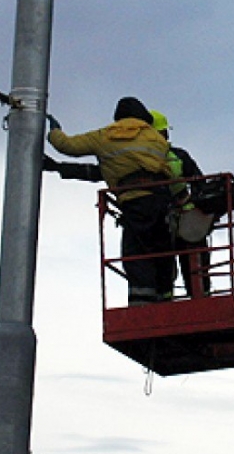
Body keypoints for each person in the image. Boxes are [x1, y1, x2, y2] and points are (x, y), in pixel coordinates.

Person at [46, 97, 176, 305]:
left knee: (135, 254)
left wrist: (54, 131)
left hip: (133, 202)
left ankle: (141, 304)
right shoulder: (156, 138)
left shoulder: (104, 137)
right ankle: (164, 299)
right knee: (162, 251)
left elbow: (67, 146)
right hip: (160, 200)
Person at [149, 110, 212, 297]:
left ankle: (193, 296)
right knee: (169, 265)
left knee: (173, 264)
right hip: (173, 221)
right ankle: (196, 296)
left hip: (174, 221)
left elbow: (200, 184)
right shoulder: (175, 156)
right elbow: (200, 184)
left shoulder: (172, 157)